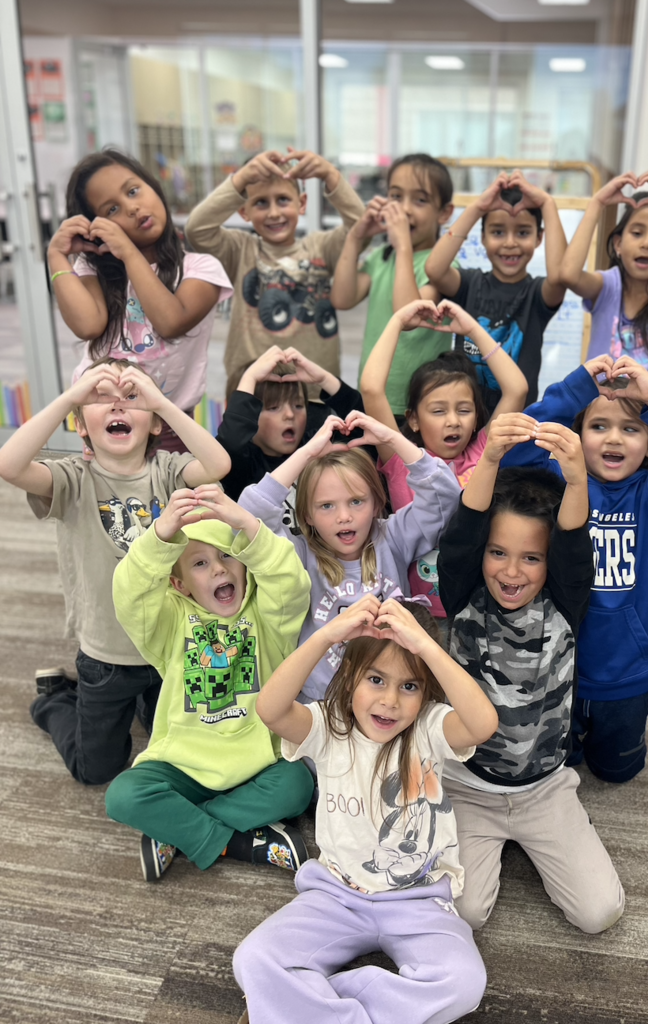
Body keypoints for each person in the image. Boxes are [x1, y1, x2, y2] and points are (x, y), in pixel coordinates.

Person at [232, 596, 498, 1024]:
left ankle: (304, 1005)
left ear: (425, 691)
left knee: (465, 983)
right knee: (251, 960)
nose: (390, 700)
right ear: (351, 675)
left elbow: (483, 723)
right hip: (336, 894)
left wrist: (427, 648)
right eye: (376, 679)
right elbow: (270, 709)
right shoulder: (326, 726)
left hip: (419, 900)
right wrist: (326, 636)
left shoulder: (430, 727)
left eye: (409, 686)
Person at [0, 358, 231, 785]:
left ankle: (134, 706)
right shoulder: (73, 479)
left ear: (155, 424)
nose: (117, 407)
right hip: (106, 658)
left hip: (167, 651)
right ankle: (54, 703)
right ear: (81, 425)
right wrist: (71, 395)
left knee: (168, 738)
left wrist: (161, 400)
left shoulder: (169, 471)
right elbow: (9, 464)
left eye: (131, 398)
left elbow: (217, 464)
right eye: (100, 399)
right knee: (97, 768)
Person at [438, 413, 625, 932]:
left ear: (548, 563)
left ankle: (553, 834)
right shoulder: (464, 596)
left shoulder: (563, 601)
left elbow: (571, 540)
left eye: (530, 558)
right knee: (465, 914)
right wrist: (491, 458)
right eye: (498, 553)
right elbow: (460, 540)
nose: (511, 571)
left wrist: (578, 477)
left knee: (599, 913)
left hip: (544, 789)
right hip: (468, 784)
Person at [501, 355, 648, 781]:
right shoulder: (557, 479)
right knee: (552, 769)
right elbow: (513, 449)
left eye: (631, 428)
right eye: (598, 426)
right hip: (553, 670)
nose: (613, 440)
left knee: (617, 771)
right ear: (577, 434)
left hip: (626, 675)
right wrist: (576, 390)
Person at [105, 486, 314, 882]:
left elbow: (290, 582)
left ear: (245, 565)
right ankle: (234, 842)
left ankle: (180, 831)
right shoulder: (168, 623)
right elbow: (131, 594)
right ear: (180, 585)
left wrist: (247, 526)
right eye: (199, 564)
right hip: (182, 764)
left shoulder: (270, 618)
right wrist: (161, 536)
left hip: (257, 763)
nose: (218, 568)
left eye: (226, 556)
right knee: (123, 796)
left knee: (296, 786)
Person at [238, 411, 462, 700]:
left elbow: (445, 499)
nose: (344, 516)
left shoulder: (391, 537)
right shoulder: (299, 553)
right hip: (321, 702)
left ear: (376, 502)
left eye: (356, 501)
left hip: (390, 701)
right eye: (327, 506)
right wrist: (306, 454)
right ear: (306, 514)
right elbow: (246, 521)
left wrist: (392, 439)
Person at [48, 149, 232, 452]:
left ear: (154, 186)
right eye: (112, 210)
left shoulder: (201, 269)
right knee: (111, 501)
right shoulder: (95, 269)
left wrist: (129, 253)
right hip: (104, 421)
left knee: (173, 498)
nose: (132, 208)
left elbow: (171, 321)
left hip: (168, 424)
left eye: (133, 191)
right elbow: (88, 325)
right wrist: (56, 256)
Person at [360, 298, 528, 616]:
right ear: (412, 419)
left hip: (477, 613)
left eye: (464, 410)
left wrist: (471, 328)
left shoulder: (484, 451)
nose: (453, 420)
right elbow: (371, 389)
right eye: (438, 411)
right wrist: (396, 322)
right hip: (416, 614)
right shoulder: (400, 460)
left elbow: (516, 389)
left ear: (477, 416)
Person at [184, 147, 365, 390]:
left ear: (301, 204)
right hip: (255, 391)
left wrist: (330, 175)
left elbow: (362, 229)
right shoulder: (240, 249)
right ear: (244, 212)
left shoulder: (322, 247)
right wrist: (240, 180)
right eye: (260, 203)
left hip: (315, 390)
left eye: (282, 200)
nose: (274, 213)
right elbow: (197, 229)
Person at [424, 169, 567, 408]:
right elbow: (435, 269)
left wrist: (547, 203)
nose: (510, 243)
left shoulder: (538, 294)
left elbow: (562, 275)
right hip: (465, 420)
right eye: (498, 232)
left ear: (539, 238)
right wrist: (478, 207)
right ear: (482, 237)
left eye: (523, 232)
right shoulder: (469, 284)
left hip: (515, 425)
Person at [560, 171, 648, 398]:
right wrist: (597, 203)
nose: (647, 243)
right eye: (637, 233)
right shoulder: (607, 287)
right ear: (618, 244)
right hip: (600, 413)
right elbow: (568, 274)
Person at [331, 154, 457, 417]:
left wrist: (403, 246)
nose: (405, 209)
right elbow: (342, 298)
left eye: (420, 200)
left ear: (444, 213)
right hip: (373, 395)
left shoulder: (440, 269)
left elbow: (410, 315)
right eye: (396, 197)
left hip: (417, 407)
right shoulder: (381, 257)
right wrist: (356, 237)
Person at [217, 345, 363, 502]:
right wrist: (249, 378)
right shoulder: (241, 463)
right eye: (273, 408)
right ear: (248, 415)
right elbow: (231, 442)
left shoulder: (317, 446)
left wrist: (324, 379)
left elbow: (361, 428)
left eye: (298, 405)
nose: (289, 414)